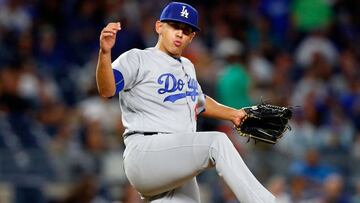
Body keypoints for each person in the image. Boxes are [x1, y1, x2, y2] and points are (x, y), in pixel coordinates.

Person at [96, 2, 275, 202]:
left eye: (186, 30)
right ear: (159, 27)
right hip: (146, 151)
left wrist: (234, 114)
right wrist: (104, 54)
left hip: (175, 160)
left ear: (192, 37)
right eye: (175, 26)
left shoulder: (188, 67)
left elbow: (199, 102)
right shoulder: (138, 58)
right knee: (217, 143)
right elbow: (107, 89)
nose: (180, 33)